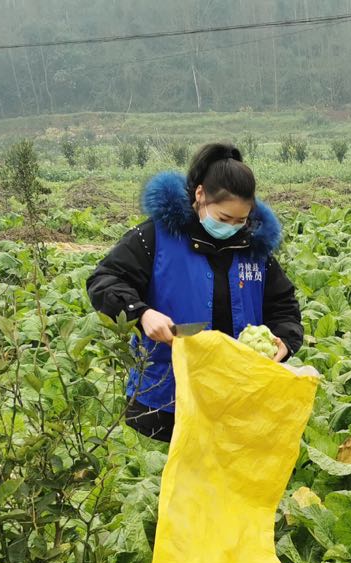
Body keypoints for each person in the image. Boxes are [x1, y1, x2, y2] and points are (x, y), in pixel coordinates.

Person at [87, 142, 304, 442]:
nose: (232, 227)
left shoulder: (255, 249)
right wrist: (142, 314)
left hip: (236, 399)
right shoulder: (156, 237)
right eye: (224, 218)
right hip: (163, 400)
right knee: (161, 482)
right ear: (200, 195)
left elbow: (284, 308)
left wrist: (285, 342)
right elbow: (105, 281)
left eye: (241, 220)